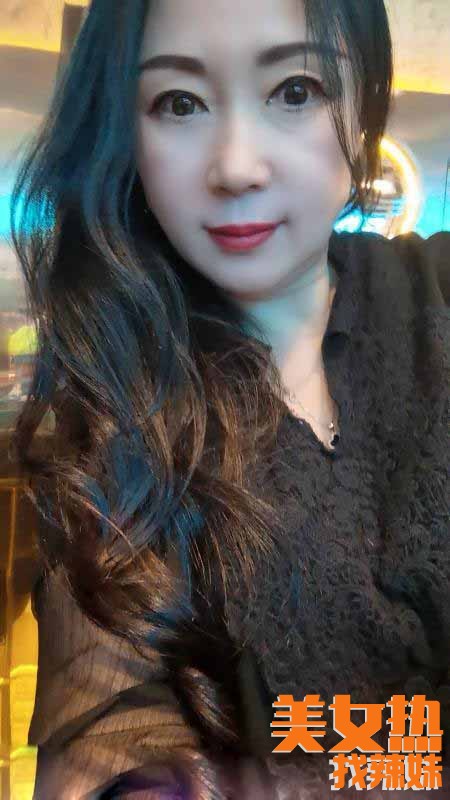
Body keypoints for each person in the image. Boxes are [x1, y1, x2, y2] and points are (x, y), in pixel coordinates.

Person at [8, 0, 449, 797]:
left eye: (296, 90)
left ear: (365, 102)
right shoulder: (114, 400)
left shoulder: (437, 297)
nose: (237, 166)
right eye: (179, 103)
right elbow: (115, 731)